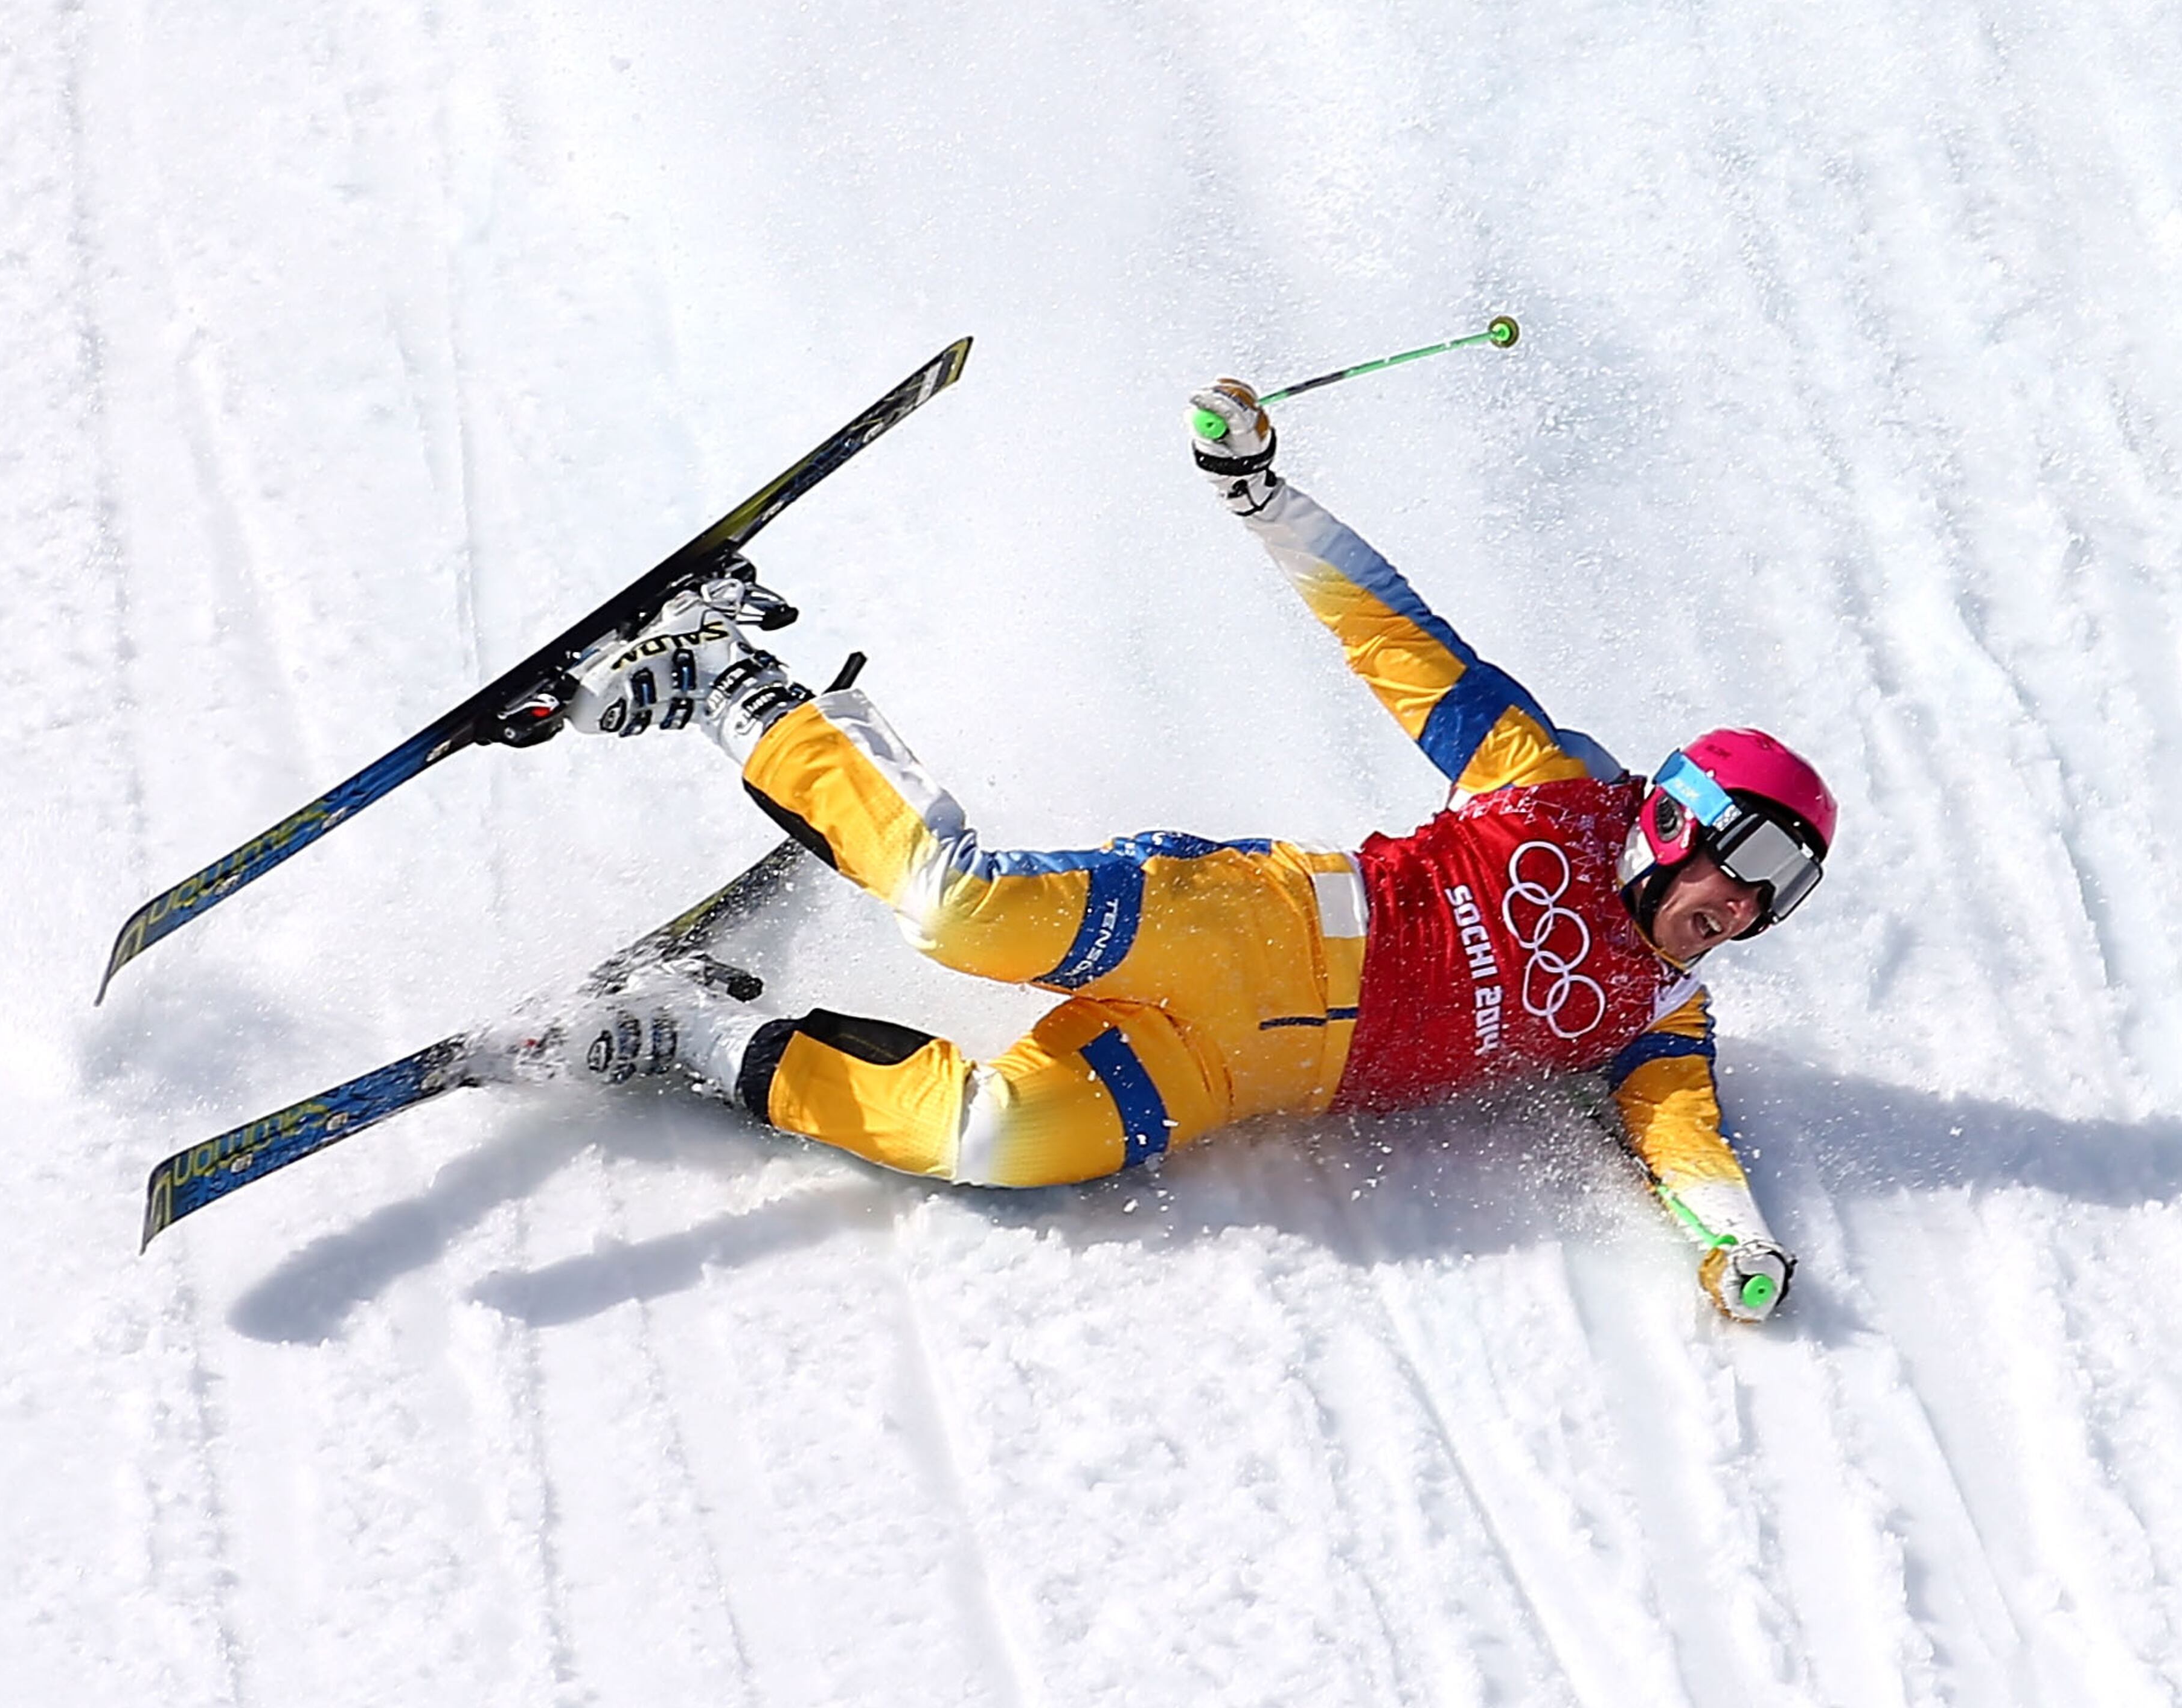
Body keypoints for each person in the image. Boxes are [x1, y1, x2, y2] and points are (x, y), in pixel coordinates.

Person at [489, 383, 1835, 1325]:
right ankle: (726, 675)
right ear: (1679, 816)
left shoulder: (1661, 1009)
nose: (1745, 907)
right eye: (1749, 863)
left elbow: (1688, 1140)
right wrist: (1263, 495)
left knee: (998, 1139)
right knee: (960, 910)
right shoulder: (1548, 789)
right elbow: (1401, 640)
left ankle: (692, 1033)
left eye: (1782, 893)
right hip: (1249, 925)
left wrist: (1740, 1244)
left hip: (1229, 1075)